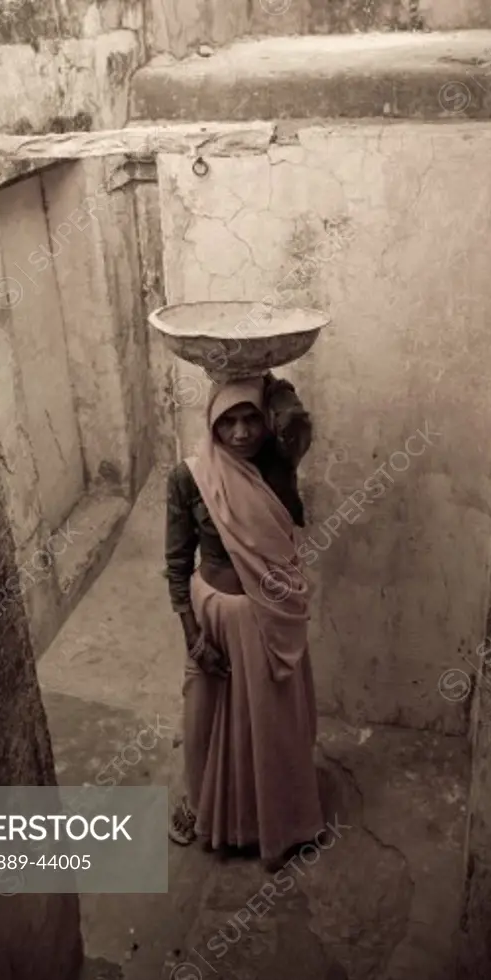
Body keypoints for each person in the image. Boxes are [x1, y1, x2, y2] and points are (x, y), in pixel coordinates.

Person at [164, 370, 325, 871]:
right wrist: (194, 638)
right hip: (215, 615)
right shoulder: (188, 478)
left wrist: (266, 377)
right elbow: (175, 564)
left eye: (250, 419)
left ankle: (276, 820)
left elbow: (296, 420)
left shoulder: (278, 465)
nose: (240, 434)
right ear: (211, 424)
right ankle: (202, 805)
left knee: (271, 720)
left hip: (268, 616)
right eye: (227, 421)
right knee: (206, 718)